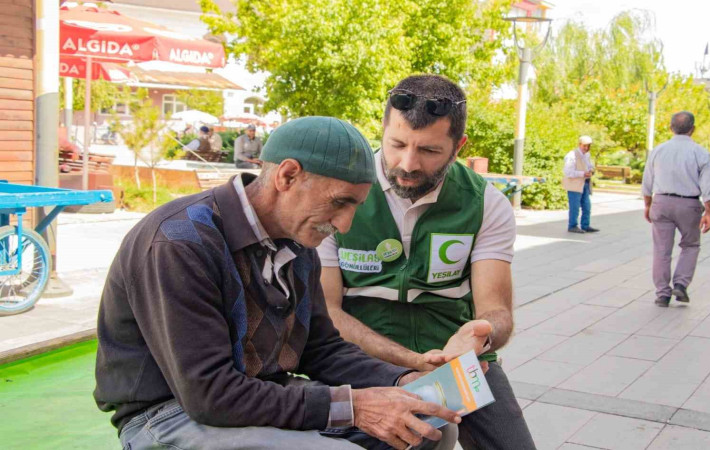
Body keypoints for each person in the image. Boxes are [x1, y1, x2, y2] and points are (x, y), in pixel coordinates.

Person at [95, 116, 461, 450]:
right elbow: (210, 395)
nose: (345, 224)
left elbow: (322, 349)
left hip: (259, 394)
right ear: (287, 176)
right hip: (167, 415)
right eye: (339, 203)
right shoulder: (180, 242)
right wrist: (356, 406)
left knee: (426, 428)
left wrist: (404, 381)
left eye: (355, 207)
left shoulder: (299, 245)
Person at [317, 75, 536, 450]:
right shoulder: (339, 191)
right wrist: (411, 362)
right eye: (396, 144)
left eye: (430, 151)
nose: (407, 163)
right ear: (382, 129)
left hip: (457, 358)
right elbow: (327, 313)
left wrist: (481, 334)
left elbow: (497, 311)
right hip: (359, 357)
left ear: (459, 146)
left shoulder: (485, 203)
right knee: (404, 442)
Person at [642, 111, 710, 307]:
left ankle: (662, 294)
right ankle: (681, 284)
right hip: (689, 205)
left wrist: (648, 205)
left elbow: (647, 181)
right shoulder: (700, 152)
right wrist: (709, 212)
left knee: (661, 250)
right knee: (690, 245)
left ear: (670, 128)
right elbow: (708, 186)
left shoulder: (658, 150)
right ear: (693, 129)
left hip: (661, 203)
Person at [562, 135, 599, 234]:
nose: (586, 148)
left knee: (587, 206)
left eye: (588, 146)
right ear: (579, 144)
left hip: (585, 183)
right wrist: (582, 173)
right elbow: (568, 172)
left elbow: (589, 165)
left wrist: (591, 170)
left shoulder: (587, 155)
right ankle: (572, 225)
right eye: (584, 146)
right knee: (575, 206)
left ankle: (585, 225)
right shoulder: (572, 155)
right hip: (574, 184)